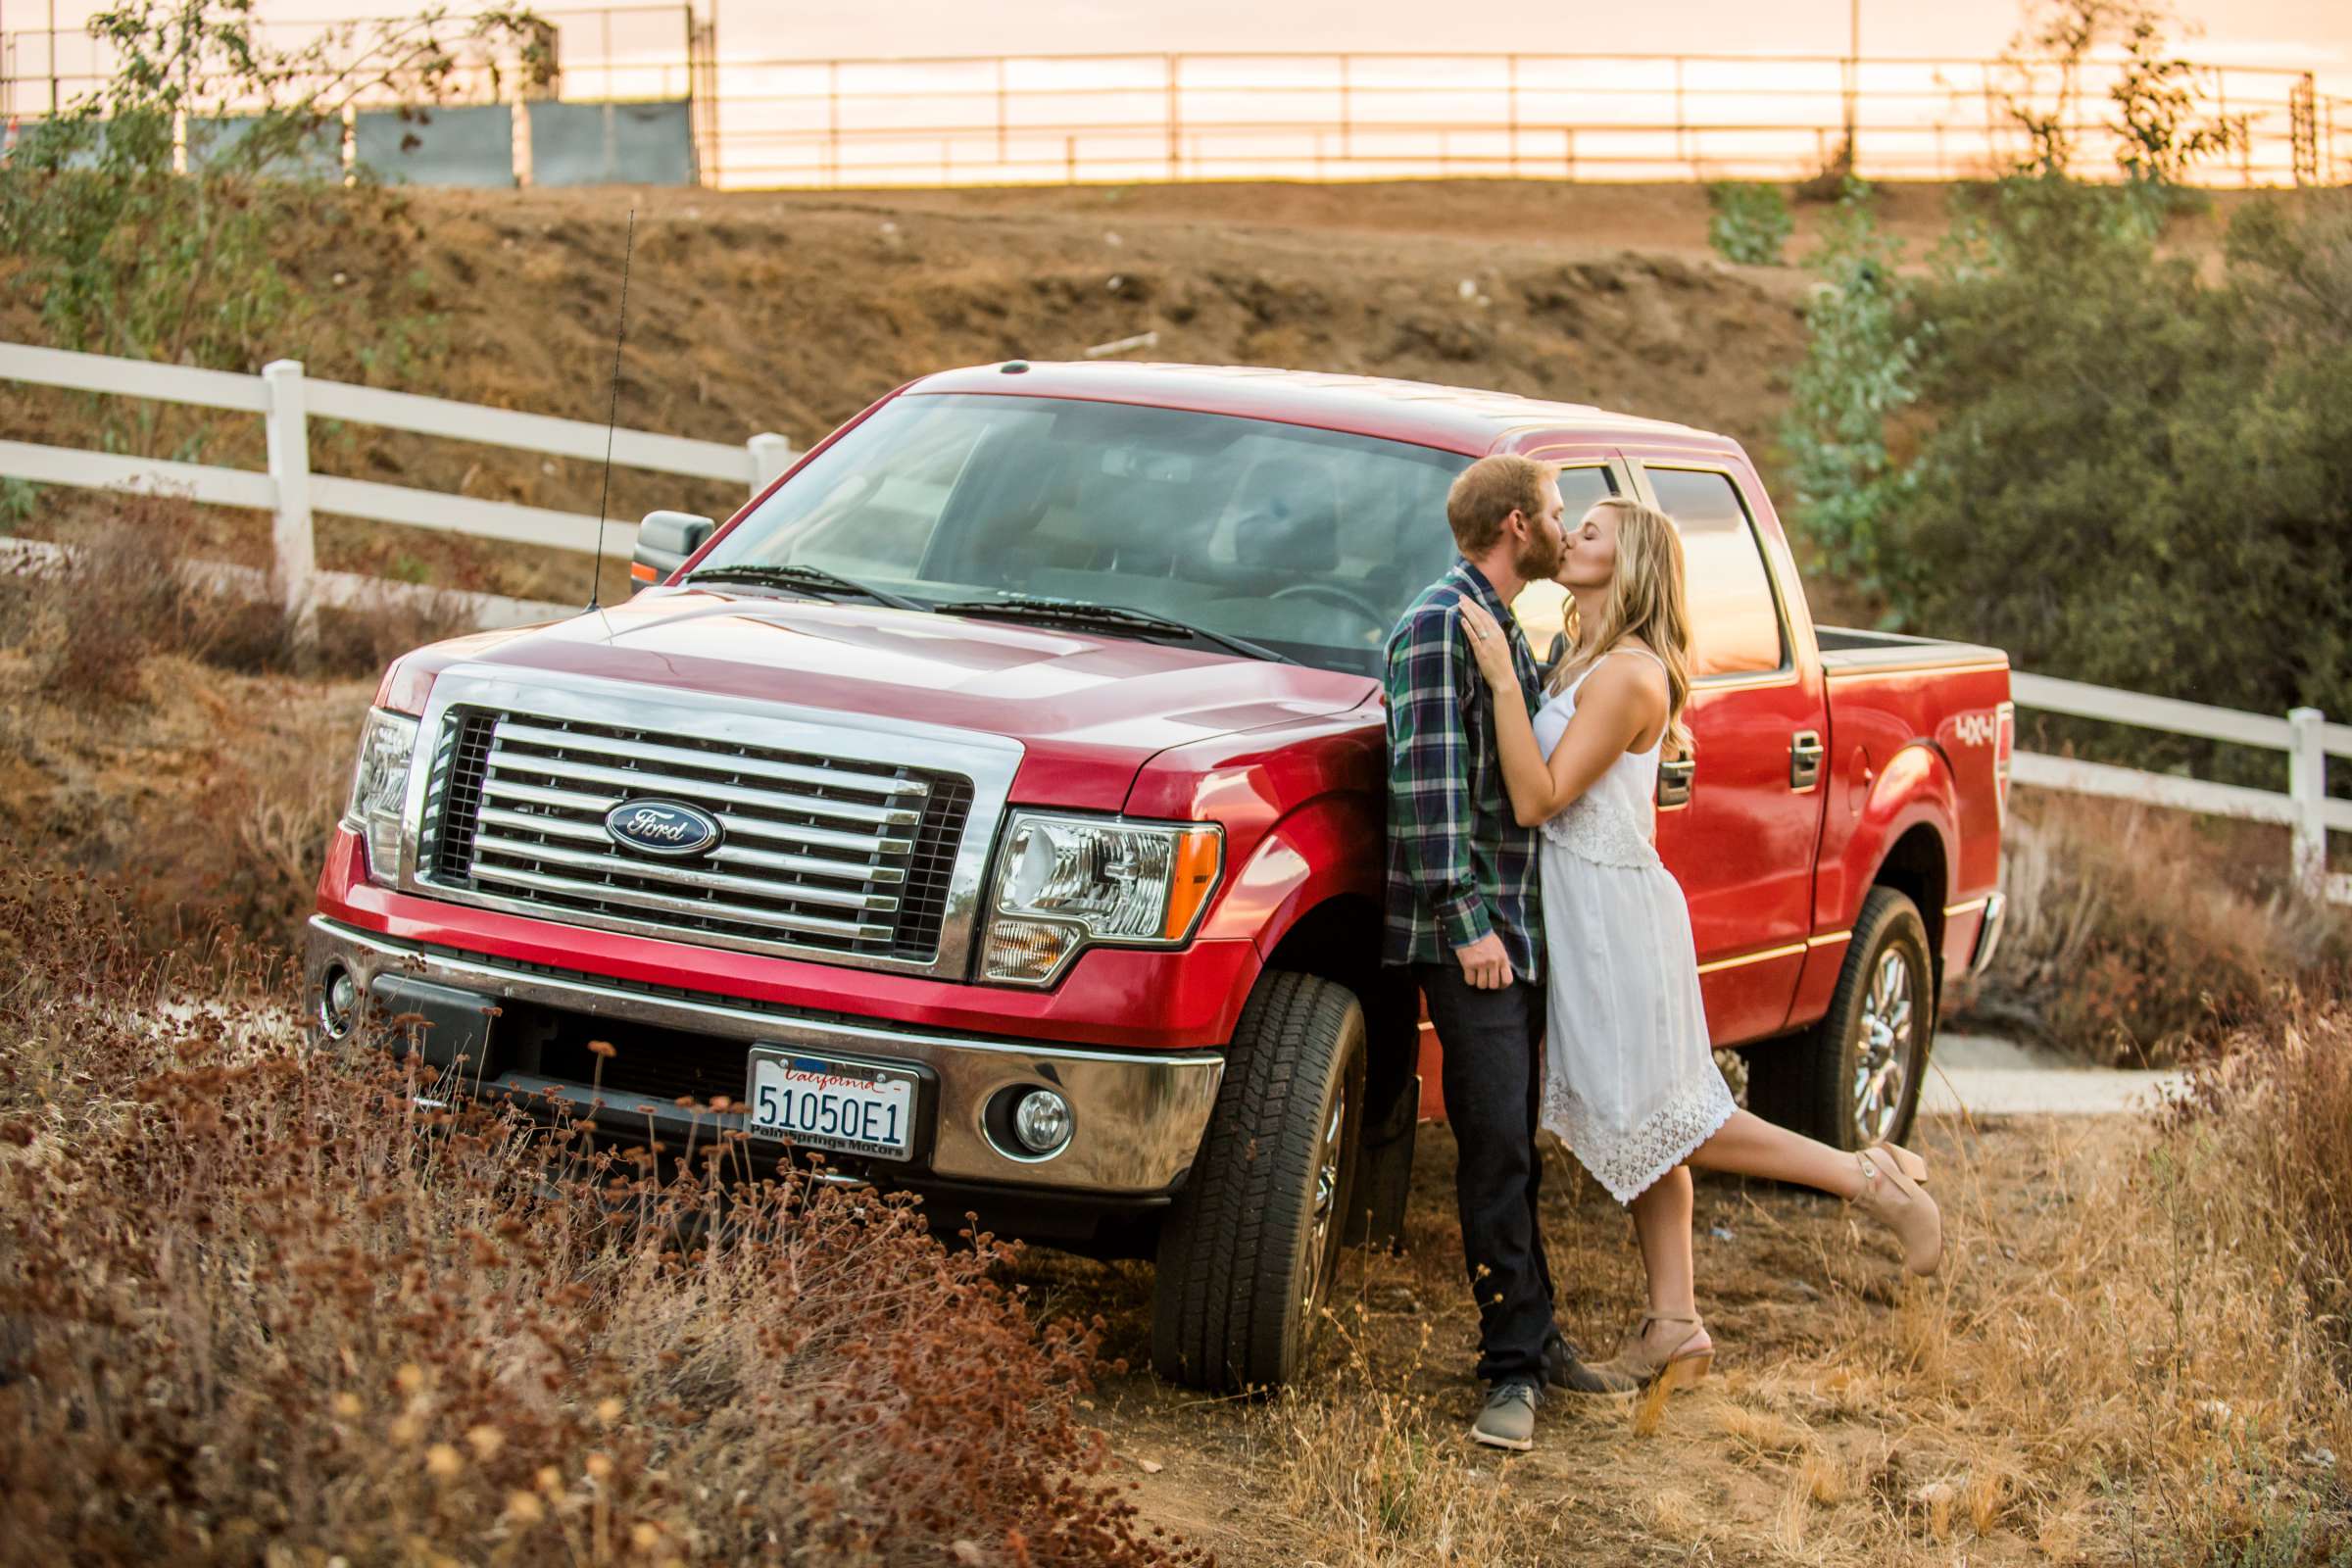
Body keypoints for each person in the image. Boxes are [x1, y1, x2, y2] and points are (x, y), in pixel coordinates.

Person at [1453, 495, 1942, 1401]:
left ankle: (1870, 1180)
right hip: (1586, 908)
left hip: (1614, 919)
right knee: (1646, 1122)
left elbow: (1537, 798)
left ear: (1628, 562)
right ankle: (1674, 1323)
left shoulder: (1631, 676)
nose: (1570, 537)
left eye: (1589, 531)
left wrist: (1501, 686)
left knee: (1678, 1115)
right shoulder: (1580, 653)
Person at [1382, 455, 1639, 1457]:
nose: (1566, 529)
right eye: (1559, 516)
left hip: (1515, 931)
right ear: (1518, 523)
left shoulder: (1497, 627)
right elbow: (1427, 791)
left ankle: (1538, 1335)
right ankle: (1509, 1375)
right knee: (1492, 1147)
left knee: (1515, 1148)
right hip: (1477, 938)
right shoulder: (1442, 625)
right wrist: (1465, 921)